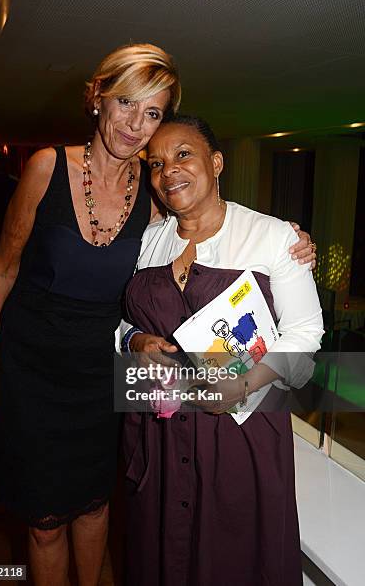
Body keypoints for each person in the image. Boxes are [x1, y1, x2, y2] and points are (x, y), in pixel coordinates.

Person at [0, 43, 313, 586]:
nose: (135, 124)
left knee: (97, 506)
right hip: (32, 368)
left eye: (152, 113)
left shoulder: (153, 194)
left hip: (103, 376)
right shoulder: (46, 168)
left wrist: (287, 237)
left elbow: (204, 213)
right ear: (98, 98)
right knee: (42, 521)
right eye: (127, 103)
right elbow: (3, 269)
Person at [122, 115, 324, 586]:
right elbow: (122, 320)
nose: (168, 170)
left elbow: (307, 333)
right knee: (161, 550)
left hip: (242, 430)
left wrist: (242, 383)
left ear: (216, 163)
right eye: (156, 163)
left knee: (234, 554)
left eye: (183, 155)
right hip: (162, 430)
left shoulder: (274, 237)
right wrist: (135, 341)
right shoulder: (151, 240)